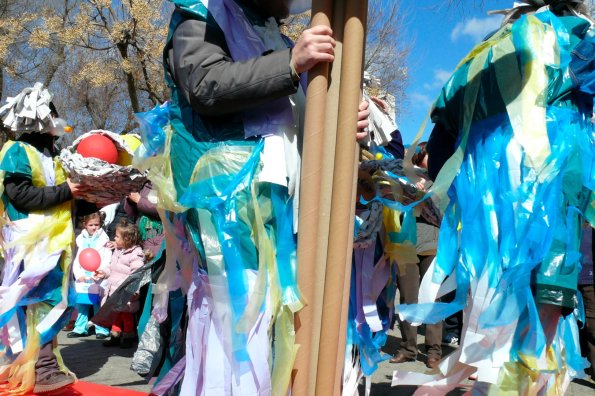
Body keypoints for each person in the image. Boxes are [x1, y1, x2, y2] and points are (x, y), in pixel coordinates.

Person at [144, 1, 369, 394]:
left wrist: (347, 117)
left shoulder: (277, 36)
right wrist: (289, 63)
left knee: (281, 313)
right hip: (227, 199)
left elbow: (303, 115)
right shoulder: (200, 15)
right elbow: (203, 83)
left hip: (280, 201)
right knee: (239, 315)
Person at [395, 1, 595, 393]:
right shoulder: (575, 38)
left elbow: (440, 156)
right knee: (532, 344)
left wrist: (470, 190)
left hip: (484, 231)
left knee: (486, 340)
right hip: (549, 215)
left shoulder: (482, 55)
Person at [0, 83, 86, 393]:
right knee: (34, 302)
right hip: (29, 243)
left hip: (57, 241)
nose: (57, 118)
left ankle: (35, 365)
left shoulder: (56, 154)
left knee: (51, 301)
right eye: (51, 112)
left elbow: (68, 196)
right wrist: (67, 192)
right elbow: (20, 195)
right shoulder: (17, 151)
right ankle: (38, 367)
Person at [391, 142, 442, 369]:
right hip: (407, 244)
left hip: (433, 246)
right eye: (430, 153)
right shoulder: (404, 178)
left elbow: (445, 214)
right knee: (408, 298)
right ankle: (408, 348)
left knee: (432, 299)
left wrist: (427, 195)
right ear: (420, 155)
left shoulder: (442, 181)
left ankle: (433, 351)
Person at [98, 220, 144, 349]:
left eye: (117, 236)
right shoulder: (118, 251)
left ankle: (128, 335)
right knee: (116, 315)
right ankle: (115, 335)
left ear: (127, 239)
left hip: (126, 292)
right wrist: (104, 272)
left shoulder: (136, 254)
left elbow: (137, 273)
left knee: (126, 316)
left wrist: (134, 290)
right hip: (114, 290)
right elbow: (112, 267)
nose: (114, 238)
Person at [68, 212, 111, 339]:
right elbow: (78, 259)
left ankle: (101, 328)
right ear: (85, 225)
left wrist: (100, 273)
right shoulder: (81, 239)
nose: (94, 227)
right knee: (82, 303)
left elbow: (106, 259)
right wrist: (79, 274)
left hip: (97, 277)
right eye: (91, 225)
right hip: (84, 278)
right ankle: (80, 327)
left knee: (98, 304)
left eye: (96, 224)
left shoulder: (104, 240)